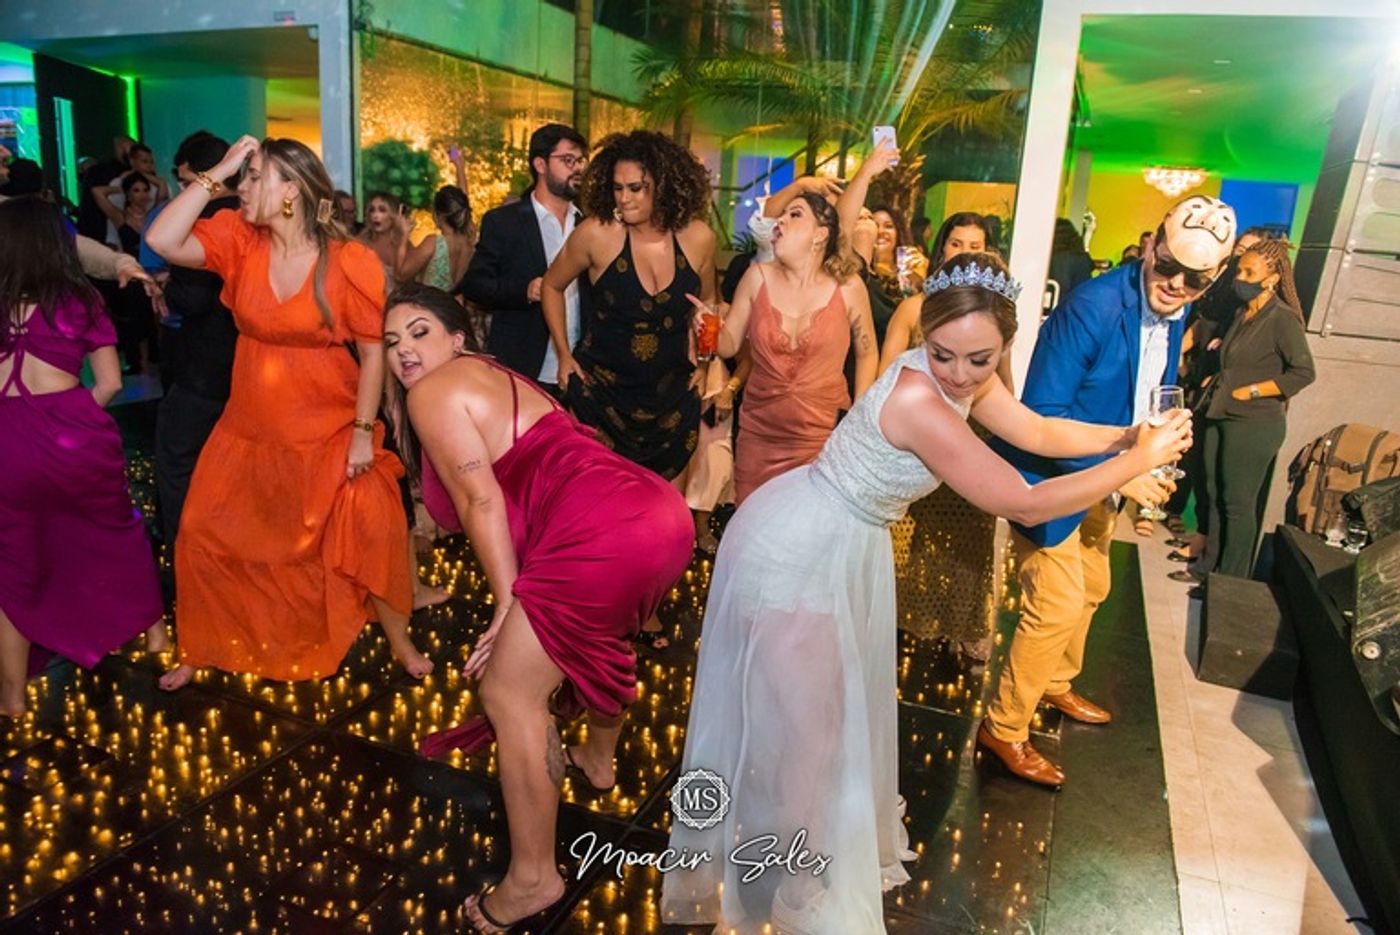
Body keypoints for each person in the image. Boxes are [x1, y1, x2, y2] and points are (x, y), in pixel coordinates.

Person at [661, 252, 1193, 932]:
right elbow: (1022, 500)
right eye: (943, 353)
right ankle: (790, 892)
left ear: (1004, 345)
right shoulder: (919, 399)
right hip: (800, 553)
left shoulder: (967, 379)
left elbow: (1036, 430)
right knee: (810, 740)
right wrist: (1134, 463)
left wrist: (1125, 436)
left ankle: (795, 878)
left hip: (839, 541)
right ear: (925, 335)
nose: (960, 374)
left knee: (821, 731)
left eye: (980, 359)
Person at [378, 284, 693, 933]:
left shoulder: (433, 392)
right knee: (595, 641)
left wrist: (507, 603)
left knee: (509, 692)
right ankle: (598, 761)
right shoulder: (497, 376)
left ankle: (533, 879)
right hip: (657, 512)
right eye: (391, 342)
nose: (404, 350)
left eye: (419, 332)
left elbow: (481, 501)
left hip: (602, 529)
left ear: (457, 338)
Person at [145, 134, 429, 689]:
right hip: (248, 428)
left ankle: (401, 641)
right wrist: (222, 169)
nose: (244, 188)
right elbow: (161, 238)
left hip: (328, 428)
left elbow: (373, 354)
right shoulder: (238, 239)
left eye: (256, 178)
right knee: (203, 532)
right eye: (245, 178)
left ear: (292, 192)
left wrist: (363, 432)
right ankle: (202, 643)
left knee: (369, 528)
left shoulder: (348, 261)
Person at [981, 195, 1235, 787]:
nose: (1175, 284)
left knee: (1094, 585)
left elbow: (1153, 386)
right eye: (1167, 265)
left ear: (1215, 276)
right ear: (1151, 245)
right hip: (1050, 478)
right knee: (1055, 604)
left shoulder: (1177, 311)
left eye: (1194, 278)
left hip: (1106, 472)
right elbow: (1042, 417)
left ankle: (1054, 682)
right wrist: (1127, 464)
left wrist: (1156, 441)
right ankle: (1004, 727)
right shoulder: (1092, 308)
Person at [0, 197, 166, 717]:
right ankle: (156, 634)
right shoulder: (80, 300)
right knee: (117, 531)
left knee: (13, 567)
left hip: (7, 443)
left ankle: (12, 698)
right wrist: (71, 419)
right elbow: (111, 383)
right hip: (72, 438)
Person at [543, 129, 717, 480]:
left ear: (664, 186)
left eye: (636, 188)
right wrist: (563, 354)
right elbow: (551, 285)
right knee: (599, 498)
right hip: (601, 396)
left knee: (664, 503)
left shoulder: (698, 238)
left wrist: (704, 361)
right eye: (617, 188)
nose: (623, 199)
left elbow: (710, 302)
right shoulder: (596, 234)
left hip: (670, 399)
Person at [877, 211, 1003, 659]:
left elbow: (1004, 382)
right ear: (941, 250)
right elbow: (885, 378)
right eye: (956, 244)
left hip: (973, 435)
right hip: (919, 440)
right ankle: (894, 618)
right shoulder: (915, 309)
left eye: (975, 246)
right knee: (907, 534)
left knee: (969, 537)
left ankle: (965, 624)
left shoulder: (992, 316)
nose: (964, 253)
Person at [718, 192, 877, 502]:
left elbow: (867, 351)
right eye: (782, 215)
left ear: (820, 234)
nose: (780, 220)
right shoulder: (756, 278)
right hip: (759, 437)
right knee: (754, 522)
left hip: (821, 440)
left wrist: (859, 415)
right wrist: (706, 325)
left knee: (810, 526)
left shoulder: (848, 287)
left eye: (795, 214)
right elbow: (728, 346)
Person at [1184, 239, 1314, 586]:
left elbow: (1303, 373)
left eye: (1248, 273)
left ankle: (1230, 582)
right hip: (1222, 412)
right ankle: (1208, 571)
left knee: (1237, 504)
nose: (1240, 278)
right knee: (1214, 494)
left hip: (1254, 422)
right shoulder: (1243, 314)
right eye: (1239, 271)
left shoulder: (1282, 319)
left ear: (1272, 278)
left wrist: (1252, 390)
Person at [148, 133, 242, 548]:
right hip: (247, 366)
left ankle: (188, 553)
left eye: (187, 182)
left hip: (206, 366)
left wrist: (166, 287)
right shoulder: (254, 217)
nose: (184, 190)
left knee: (179, 459)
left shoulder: (206, 221)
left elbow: (194, 298)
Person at [1165, 225, 1272, 557]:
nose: (1241, 259)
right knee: (1199, 467)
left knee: (1223, 487)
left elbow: (1299, 371)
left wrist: (1248, 390)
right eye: (1239, 250)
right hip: (1203, 383)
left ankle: (1208, 548)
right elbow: (1201, 325)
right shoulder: (1226, 288)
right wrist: (1179, 358)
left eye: (1249, 253)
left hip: (1230, 399)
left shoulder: (1266, 311)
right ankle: (1199, 538)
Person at [459, 124, 588, 390]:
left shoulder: (588, 225)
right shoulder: (504, 222)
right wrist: (524, 291)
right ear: (540, 164)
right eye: (568, 160)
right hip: (524, 366)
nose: (577, 168)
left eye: (581, 160)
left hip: (581, 368)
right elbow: (475, 285)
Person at [393, 185, 474, 291]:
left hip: (428, 301)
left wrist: (403, 234)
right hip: (452, 301)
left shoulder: (434, 243)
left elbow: (400, 276)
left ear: (438, 215)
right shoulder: (469, 243)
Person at [356, 190, 404, 288]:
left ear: (394, 214)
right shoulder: (360, 242)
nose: (375, 215)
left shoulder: (403, 241)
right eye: (372, 210)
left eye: (382, 210)